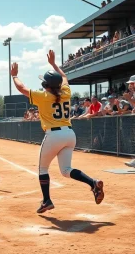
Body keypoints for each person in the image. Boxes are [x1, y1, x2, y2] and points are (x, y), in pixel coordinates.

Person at [10, 49, 104, 213]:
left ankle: (46, 200)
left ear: (46, 85)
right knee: (66, 170)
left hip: (54, 135)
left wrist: (14, 75)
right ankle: (93, 183)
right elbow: (65, 78)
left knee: (42, 169)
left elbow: (22, 88)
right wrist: (53, 64)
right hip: (69, 134)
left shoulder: (43, 96)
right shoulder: (66, 92)